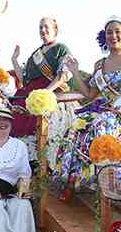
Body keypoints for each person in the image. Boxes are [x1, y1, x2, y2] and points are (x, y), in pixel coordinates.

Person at [57, 17, 121, 191]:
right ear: (104, 36)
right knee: (75, 126)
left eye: (117, 31)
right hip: (104, 110)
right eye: (109, 32)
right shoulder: (99, 65)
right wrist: (75, 71)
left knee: (102, 124)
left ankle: (112, 184)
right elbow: (90, 94)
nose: (113, 36)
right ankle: (80, 179)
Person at [9, 17, 78, 147]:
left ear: (55, 30)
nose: (43, 29)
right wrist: (14, 60)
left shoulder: (61, 49)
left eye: (46, 26)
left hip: (51, 94)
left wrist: (45, 93)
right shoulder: (35, 54)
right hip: (30, 95)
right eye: (40, 27)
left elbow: (63, 75)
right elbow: (24, 80)